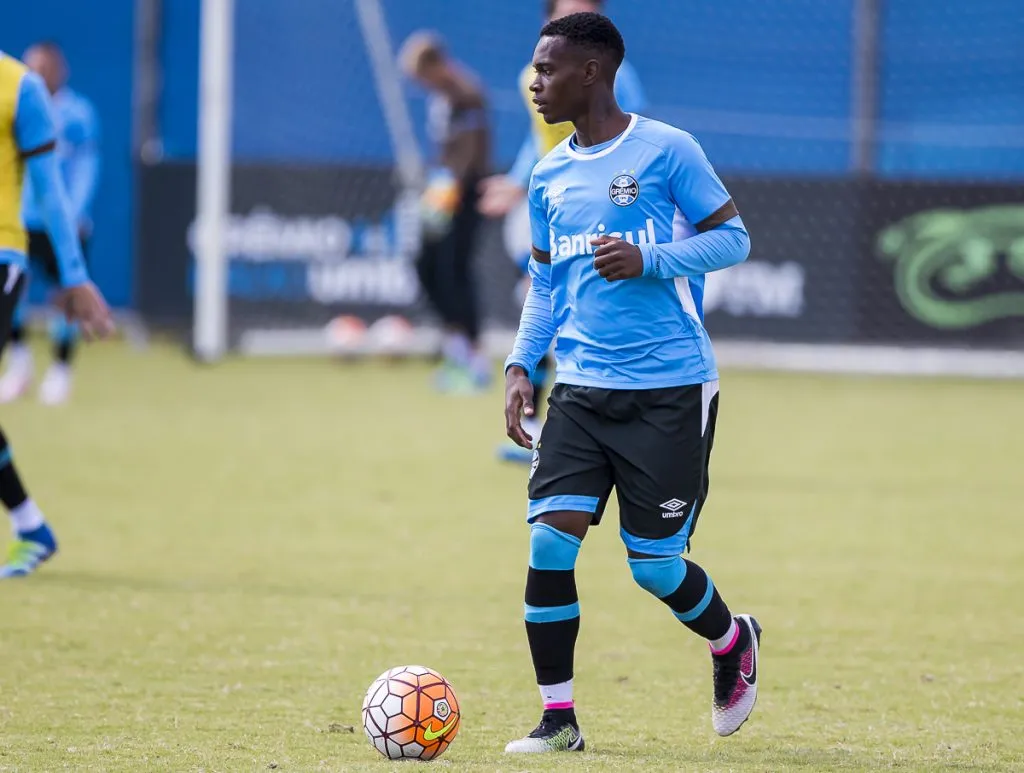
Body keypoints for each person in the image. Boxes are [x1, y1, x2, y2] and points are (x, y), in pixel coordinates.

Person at [501, 13, 760, 753]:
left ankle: (731, 639)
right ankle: (558, 720)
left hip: (670, 389)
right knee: (550, 543)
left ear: (592, 73)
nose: (535, 83)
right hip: (580, 390)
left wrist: (652, 261)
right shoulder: (547, 173)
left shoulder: (667, 149)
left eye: (547, 70)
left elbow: (733, 238)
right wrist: (523, 365)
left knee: (654, 566)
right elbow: (546, 283)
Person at [482, 0, 646, 463]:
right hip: (554, 203)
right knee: (545, 298)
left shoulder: (618, 75)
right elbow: (541, 139)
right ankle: (540, 423)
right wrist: (517, 183)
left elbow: (632, 137)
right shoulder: (535, 74)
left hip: (598, 208)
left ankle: (608, 421)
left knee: (576, 304)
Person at [0, 50, 113, 577]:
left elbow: (52, 187)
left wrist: (73, 274)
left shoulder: (19, 89)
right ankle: (31, 527)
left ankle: (58, 372)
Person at [0, 42, 101, 405]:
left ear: (60, 71)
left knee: (66, 297)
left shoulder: (78, 113)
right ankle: (20, 364)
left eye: (45, 67)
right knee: (16, 298)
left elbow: (86, 167)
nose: (38, 73)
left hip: (62, 222)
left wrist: (76, 213)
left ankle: (60, 370)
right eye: (33, 66)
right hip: (20, 223)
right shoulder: (14, 96)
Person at [399, 32, 491, 393]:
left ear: (436, 66)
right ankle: (458, 347)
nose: (421, 84)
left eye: (422, 76)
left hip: (462, 192)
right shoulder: (442, 96)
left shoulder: (466, 94)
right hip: (443, 191)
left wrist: (448, 192)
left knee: (454, 270)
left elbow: (467, 154)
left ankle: (473, 356)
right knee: (426, 266)